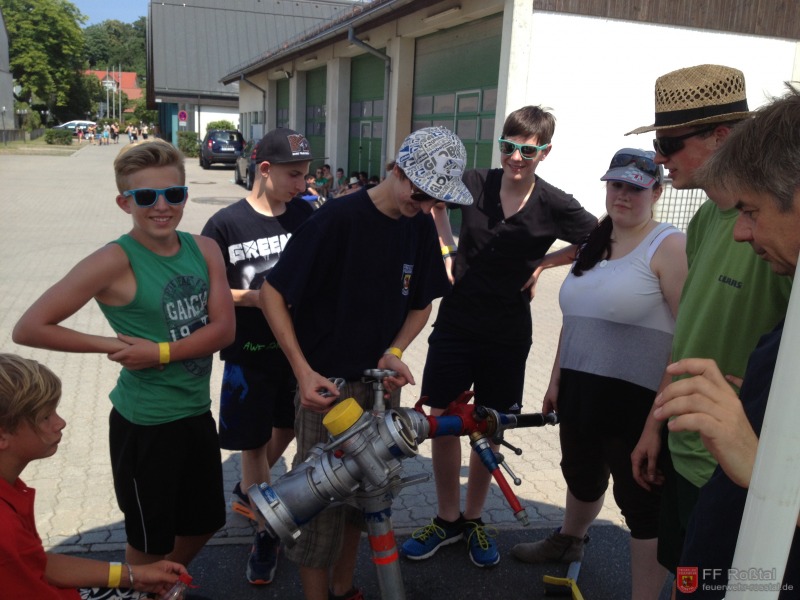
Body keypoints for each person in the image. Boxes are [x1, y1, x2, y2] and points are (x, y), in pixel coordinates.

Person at [259, 126, 473, 600]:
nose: (425, 208)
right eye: (419, 195)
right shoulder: (336, 220)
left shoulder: (417, 224)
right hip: (327, 392)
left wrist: (394, 351)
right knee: (319, 505)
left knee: (365, 501)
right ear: (397, 171)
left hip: (378, 391)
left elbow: (422, 304)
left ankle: (344, 589)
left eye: (435, 201)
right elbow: (272, 294)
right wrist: (302, 371)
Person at [12, 139, 236, 569]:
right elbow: (30, 327)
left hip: (195, 411)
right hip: (145, 423)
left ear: (184, 195)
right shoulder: (114, 260)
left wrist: (161, 352)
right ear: (124, 202)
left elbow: (224, 330)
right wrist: (113, 345)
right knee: (149, 541)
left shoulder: (204, 249)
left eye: (173, 194)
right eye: (146, 196)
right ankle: (145, 589)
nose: (162, 206)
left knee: (205, 522)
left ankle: (164, 586)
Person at [401, 106, 596, 567]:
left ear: (545, 152)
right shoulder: (474, 182)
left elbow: (598, 237)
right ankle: (447, 518)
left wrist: (545, 263)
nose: (516, 158)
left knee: (489, 425)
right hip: (457, 324)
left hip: (508, 332)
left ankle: (473, 519)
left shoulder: (554, 202)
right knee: (443, 420)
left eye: (528, 151)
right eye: (509, 147)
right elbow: (434, 202)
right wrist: (446, 248)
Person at [626, 64, 792, 581]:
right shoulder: (703, 220)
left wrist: (759, 465)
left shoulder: (781, 236)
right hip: (688, 450)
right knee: (685, 577)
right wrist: (656, 421)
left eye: (669, 143)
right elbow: (688, 336)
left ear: (721, 137)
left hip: (739, 466)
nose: (658, 158)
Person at [510, 149, 686, 598]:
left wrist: (657, 421)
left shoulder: (668, 246)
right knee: (581, 474)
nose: (623, 195)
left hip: (636, 402)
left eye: (635, 188)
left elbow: (688, 337)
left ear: (657, 193)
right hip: (580, 389)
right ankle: (569, 540)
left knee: (641, 504)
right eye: (616, 185)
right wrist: (556, 378)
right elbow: (576, 317)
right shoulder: (594, 240)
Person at [200, 127, 315, 585]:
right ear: (264, 169)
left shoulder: (305, 215)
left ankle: (251, 490)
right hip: (248, 354)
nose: (302, 185)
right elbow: (208, 291)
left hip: (296, 352)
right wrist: (256, 298)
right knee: (252, 441)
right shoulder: (225, 225)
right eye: (294, 175)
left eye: (305, 175)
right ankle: (266, 532)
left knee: (287, 426)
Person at [0, 353, 188, 600]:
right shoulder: (5, 528)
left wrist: (133, 574)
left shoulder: (9, 488)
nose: (60, 422)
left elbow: (38, 563)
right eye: (45, 417)